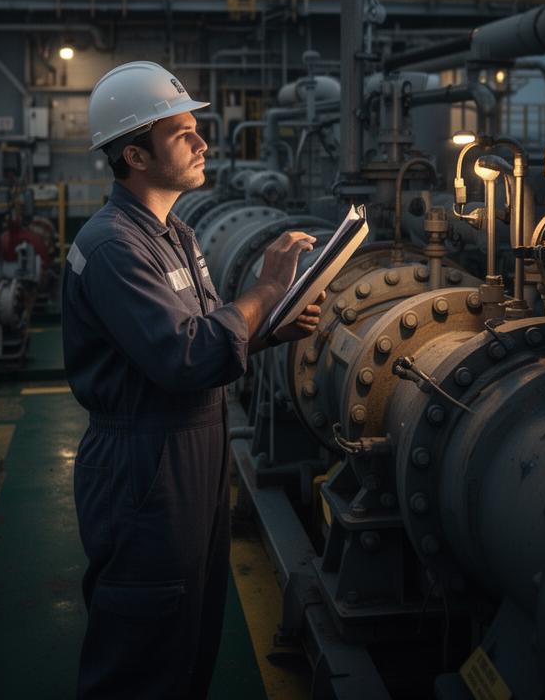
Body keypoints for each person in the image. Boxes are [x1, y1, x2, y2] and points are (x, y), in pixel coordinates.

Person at [63, 60, 323, 699]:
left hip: (192, 455)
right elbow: (181, 357)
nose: (203, 141)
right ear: (135, 155)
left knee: (189, 637)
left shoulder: (171, 233)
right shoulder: (115, 247)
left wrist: (268, 329)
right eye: (182, 133)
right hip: (145, 465)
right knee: (143, 648)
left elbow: (204, 332)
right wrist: (265, 291)